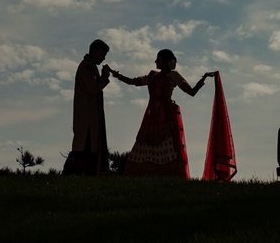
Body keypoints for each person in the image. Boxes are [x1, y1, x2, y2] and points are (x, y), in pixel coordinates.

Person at [111, 49, 215, 178]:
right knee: (148, 144)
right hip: (152, 117)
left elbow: (191, 92)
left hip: (165, 117)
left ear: (165, 61)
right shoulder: (152, 76)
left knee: (166, 145)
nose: (155, 61)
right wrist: (118, 76)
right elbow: (134, 82)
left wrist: (203, 78)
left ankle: (164, 177)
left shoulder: (173, 76)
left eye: (158, 59)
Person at [62, 39, 111, 175]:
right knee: (82, 146)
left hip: (91, 116)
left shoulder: (91, 66)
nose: (103, 58)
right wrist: (104, 78)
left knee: (89, 147)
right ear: (95, 51)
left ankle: (88, 174)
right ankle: (70, 173)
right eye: (102, 54)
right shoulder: (86, 67)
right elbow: (93, 89)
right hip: (86, 117)